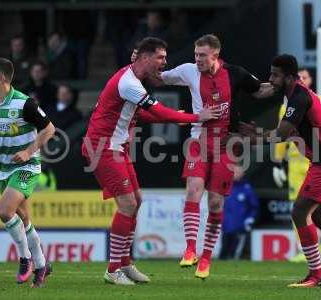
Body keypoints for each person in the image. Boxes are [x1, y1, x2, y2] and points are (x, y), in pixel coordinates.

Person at [81, 37, 220, 286]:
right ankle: (113, 270)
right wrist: (196, 117)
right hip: (102, 148)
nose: (164, 62)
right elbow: (155, 110)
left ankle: (126, 263)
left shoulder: (132, 79)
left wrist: (174, 117)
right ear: (145, 57)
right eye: (160, 57)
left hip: (117, 148)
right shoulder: (130, 83)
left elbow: (142, 114)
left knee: (137, 201)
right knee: (126, 205)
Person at [239, 54, 321, 287]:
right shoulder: (296, 95)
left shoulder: (298, 98)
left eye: (275, 75)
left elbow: (281, 135)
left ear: (290, 77)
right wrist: (257, 134)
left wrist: (252, 138)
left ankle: (316, 274)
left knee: (299, 212)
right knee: (318, 214)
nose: (271, 79)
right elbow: (289, 133)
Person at [156, 34, 273, 279]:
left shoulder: (235, 74)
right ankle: (190, 250)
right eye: (196, 54)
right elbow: (158, 78)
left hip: (226, 145)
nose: (197, 59)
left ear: (215, 55)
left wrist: (286, 86)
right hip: (198, 140)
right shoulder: (188, 71)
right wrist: (139, 64)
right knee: (193, 190)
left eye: (202, 55)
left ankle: (206, 258)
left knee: (216, 204)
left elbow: (260, 91)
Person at [0, 58, 56, 287]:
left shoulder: (24, 104)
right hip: (2, 168)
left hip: (27, 166)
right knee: (23, 218)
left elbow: (49, 129)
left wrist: (29, 150)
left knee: (4, 210)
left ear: (0, 78)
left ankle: (25, 258)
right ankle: (42, 266)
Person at [273, 67, 321, 263]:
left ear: (310, 80)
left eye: (305, 76)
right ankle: (305, 250)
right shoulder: (285, 107)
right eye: (298, 77)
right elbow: (281, 135)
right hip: (296, 163)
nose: (301, 79)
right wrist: (277, 163)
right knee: (298, 207)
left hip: (320, 161)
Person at [219, 165, 259, 260]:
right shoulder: (225, 187)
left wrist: (250, 219)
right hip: (226, 226)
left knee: (236, 253)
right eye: (234, 172)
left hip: (240, 227)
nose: (235, 174)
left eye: (238, 172)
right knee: (224, 252)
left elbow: (254, 207)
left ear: (242, 174)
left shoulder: (247, 189)